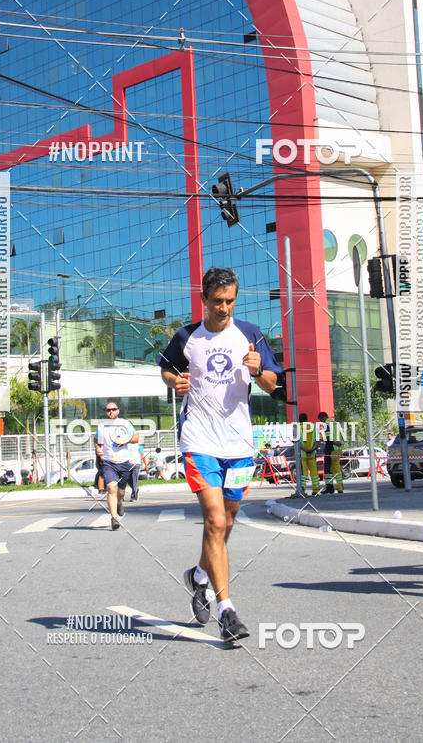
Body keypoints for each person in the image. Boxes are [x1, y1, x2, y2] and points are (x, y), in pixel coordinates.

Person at [158, 267, 280, 643]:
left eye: (230, 301)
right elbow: (166, 369)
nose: (224, 308)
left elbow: (273, 384)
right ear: (204, 299)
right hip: (199, 442)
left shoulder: (251, 335)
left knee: (225, 523)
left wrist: (259, 372)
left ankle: (198, 576)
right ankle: (226, 609)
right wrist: (173, 381)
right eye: (217, 301)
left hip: (240, 445)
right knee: (213, 520)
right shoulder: (186, 336)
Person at [95, 400, 139, 530]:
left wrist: (126, 441)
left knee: (120, 492)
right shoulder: (102, 426)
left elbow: (136, 437)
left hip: (124, 462)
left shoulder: (125, 424)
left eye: (113, 409)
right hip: (108, 462)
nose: (111, 412)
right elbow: (96, 440)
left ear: (118, 410)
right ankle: (113, 518)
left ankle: (119, 502)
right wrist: (98, 448)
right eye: (108, 410)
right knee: (111, 487)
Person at [319, 411, 343, 494]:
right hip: (338, 449)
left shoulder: (327, 424)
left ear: (323, 417)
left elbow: (329, 437)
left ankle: (329, 487)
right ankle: (340, 487)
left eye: (321, 420)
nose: (321, 422)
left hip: (331, 448)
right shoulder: (335, 423)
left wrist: (321, 439)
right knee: (337, 468)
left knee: (328, 468)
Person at [299, 412, 320, 496]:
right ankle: (316, 490)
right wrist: (311, 450)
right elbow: (317, 442)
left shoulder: (297, 428)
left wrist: (305, 450)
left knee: (303, 473)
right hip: (312, 454)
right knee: (314, 472)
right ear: (307, 419)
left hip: (302, 455)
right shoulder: (313, 428)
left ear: (299, 419)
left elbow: (297, 443)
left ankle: (303, 490)